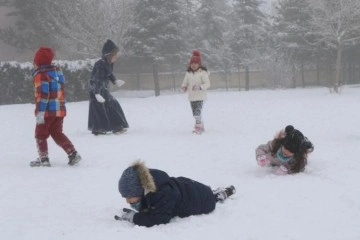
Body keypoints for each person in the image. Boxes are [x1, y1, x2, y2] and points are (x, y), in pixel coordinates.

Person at [116, 160, 235, 227]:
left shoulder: (162, 193)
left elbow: (160, 218)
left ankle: (220, 195)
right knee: (206, 193)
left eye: (129, 197)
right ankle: (215, 193)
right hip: (187, 188)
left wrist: (135, 218)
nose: (127, 201)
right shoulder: (148, 182)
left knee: (211, 198)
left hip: (200, 201)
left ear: (139, 190)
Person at [30, 47, 82, 167]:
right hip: (59, 111)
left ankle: (44, 159)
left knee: (40, 134)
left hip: (46, 112)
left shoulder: (41, 75)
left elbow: (43, 95)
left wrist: (40, 112)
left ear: (38, 62)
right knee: (57, 132)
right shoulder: (58, 72)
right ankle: (73, 153)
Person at [88, 39, 129, 135]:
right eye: (115, 54)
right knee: (100, 107)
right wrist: (97, 93)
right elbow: (97, 79)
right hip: (96, 89)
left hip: (102, 88)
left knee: (112, 104)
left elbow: (109, 74)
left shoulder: (108, 63)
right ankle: (104, 128)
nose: (116, 56)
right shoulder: (100, 64)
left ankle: (113, 127)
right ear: (109, 55)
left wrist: (115, 81)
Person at [181, 50, 210, 134]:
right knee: (195, 114)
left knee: (197, 113)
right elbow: (185, 82)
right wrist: (184, 86)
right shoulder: (188, 73)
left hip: (201, 97)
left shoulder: (203, 73)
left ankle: (198, 128)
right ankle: (201, 125)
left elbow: (208, 84)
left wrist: (200, 87)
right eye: (192, 63)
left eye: (195, 63)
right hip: (192, 97)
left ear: (199, 64)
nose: (193, 65)